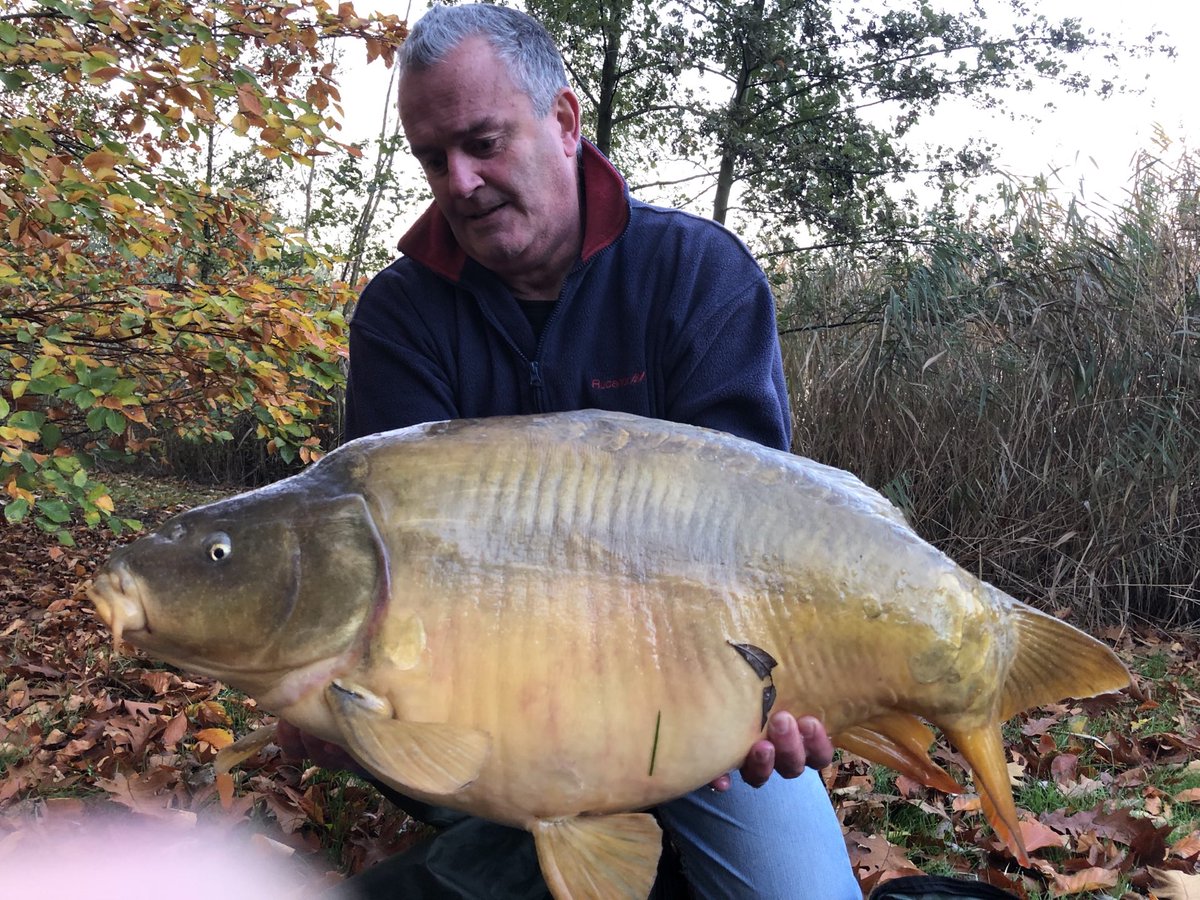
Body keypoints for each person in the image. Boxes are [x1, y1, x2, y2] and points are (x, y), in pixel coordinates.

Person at [280, 4, 860, 897]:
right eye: (433, 158)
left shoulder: (697, 273)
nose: (460, 182)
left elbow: (753, 543)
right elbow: (391, 573)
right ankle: (537, 846)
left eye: (483, 142)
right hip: (500, 704)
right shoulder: (402, 315)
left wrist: (767, 701)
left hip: (694, 699)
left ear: (563, 120)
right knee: (377, 724)